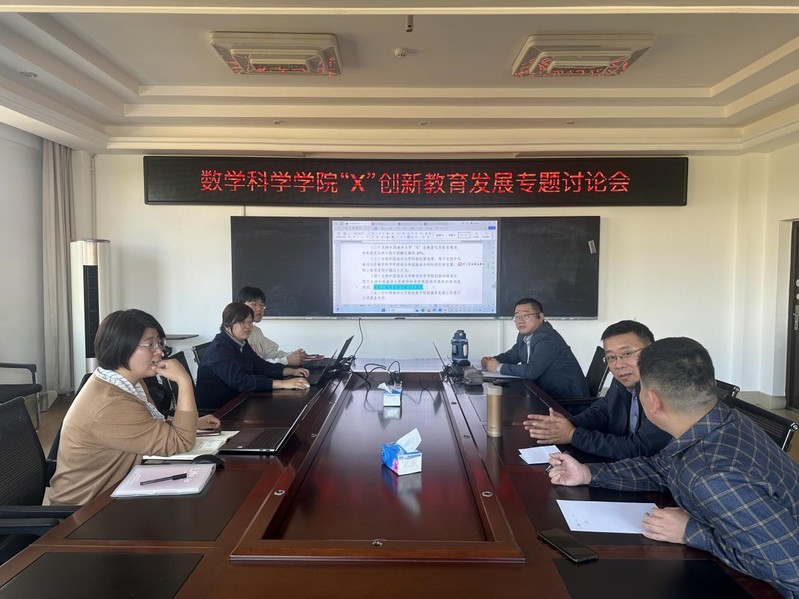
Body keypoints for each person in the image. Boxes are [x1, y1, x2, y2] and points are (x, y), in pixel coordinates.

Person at [546, 337, 799, 598]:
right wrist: (588, 473)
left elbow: (792, 571)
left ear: (653, 401)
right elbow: (662, 468)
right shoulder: (721, 419)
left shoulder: (712, 477)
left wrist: (691, 532)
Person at [49, 309, 220, 505]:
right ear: (121, 347)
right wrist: (184, 381)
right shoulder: (111, 404)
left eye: (159, 343)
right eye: (150, 344)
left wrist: (193, 422)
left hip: (116, 490)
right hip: (86, 511)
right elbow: (181, 441)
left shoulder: (125, 382)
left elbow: (148, 424)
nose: (159, 351)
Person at [524, 320, 671, 459]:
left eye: (627, 354)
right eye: (611, 357)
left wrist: (573, 435)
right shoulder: (623, 379)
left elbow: (640, 448)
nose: (618, 364)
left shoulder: (665, 391)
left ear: (652, 352)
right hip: (621, 461)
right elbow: (601, 412)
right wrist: (566, 425)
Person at [195, 302, 310, 410]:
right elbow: (241, 381)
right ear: (227, 325)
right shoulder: (219, 350)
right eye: (242, 322)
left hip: (239, 399)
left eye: (250, 322)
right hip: (219, 410)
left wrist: (290, 371)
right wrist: (283, 384)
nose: (248, 326)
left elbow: (259, 365)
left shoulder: (240, 342)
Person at [480, 298, 588, 398]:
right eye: (517, 317)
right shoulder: (524, 335)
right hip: (544, 394)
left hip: (566, 401)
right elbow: (511, 356)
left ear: (540, 317)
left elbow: (531, 371)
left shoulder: (547, 338)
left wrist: (498, 367)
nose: (520, 321)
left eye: (525, 316)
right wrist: (490, 360)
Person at [236, 286, 307, 366]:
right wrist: (286, 361)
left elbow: (270, 353)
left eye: (262, 305)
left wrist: (293, 355)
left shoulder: (256, 331)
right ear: (240, 305)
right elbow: (254, 366)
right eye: (253, 304)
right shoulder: (238, 334)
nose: (259, 309)